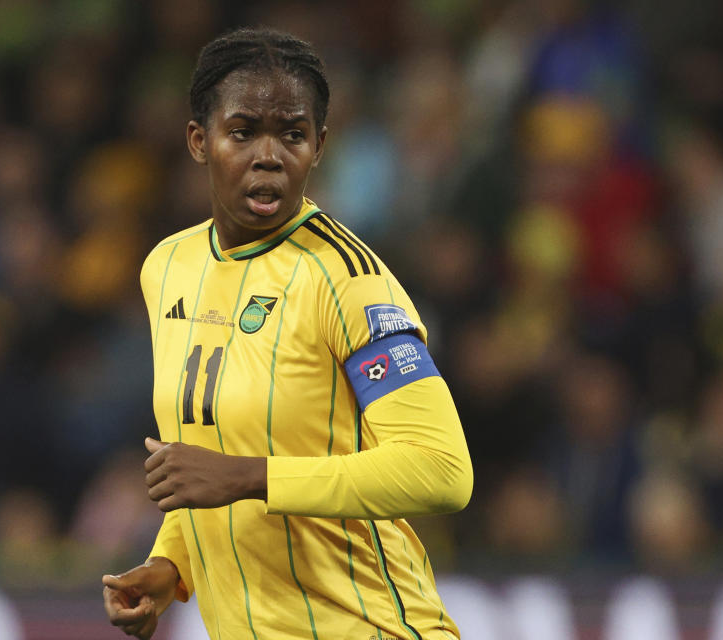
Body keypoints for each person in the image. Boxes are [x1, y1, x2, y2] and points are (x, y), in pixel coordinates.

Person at [102, 27, 473, 640]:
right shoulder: (167, 267)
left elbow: (442, 470)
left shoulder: (349, 282)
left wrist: (252, 476)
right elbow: (208, 449)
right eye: (243, 131)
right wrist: (173, 564)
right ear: (200, 141)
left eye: (293, 134)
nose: (268, 155)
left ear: (319, 146)